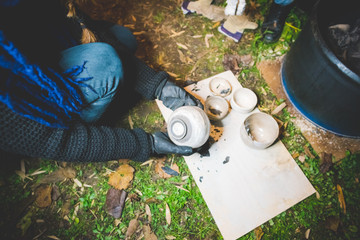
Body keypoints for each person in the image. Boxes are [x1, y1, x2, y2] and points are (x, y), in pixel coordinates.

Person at [0, 0, 203, 163]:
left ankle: (108, 89)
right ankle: (93, 114)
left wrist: (157, 85)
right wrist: (145, 144)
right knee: (106, 61)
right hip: (34, 116)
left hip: (41, 57)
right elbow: (58, 141)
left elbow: (85, 29)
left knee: (123, 39)